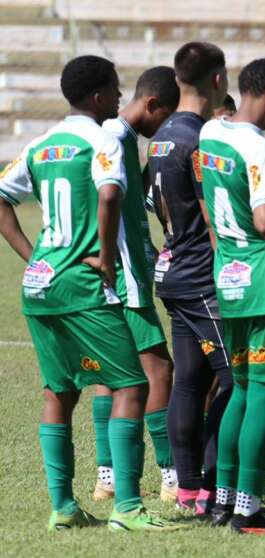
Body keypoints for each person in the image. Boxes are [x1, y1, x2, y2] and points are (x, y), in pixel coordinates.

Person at [0, 55, 176, 531]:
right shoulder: (103, 139)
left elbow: (1, 195)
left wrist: (34, 256)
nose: (120, 99)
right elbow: (110, 193)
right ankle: (128, 507)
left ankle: (62, 507)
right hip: (82, 283)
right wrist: (104, 256)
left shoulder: (41, 144)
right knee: (132, 384)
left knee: (58, 391)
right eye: (116, 91)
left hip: (40, 284)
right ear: (99, 97)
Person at [200, 58, 265, 534]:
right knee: (263, 393)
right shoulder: (258, 147)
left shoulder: (211, 133)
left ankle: (222, 501)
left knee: (239, 389)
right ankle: (248, 510)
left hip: (230, 275)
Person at [149, 42, 234, 515]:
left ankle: (188, 490)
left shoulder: (161, 135)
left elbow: (153, 204)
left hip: (172, 269)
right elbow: (212, 215)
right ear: (218, 80)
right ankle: (216, 490)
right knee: (236, 378)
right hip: (202, 276)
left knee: (189, 380)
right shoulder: (201, 140)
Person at [91, 67, 181, 507]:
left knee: (110, 376)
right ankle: (171, 474)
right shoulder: (114, 136)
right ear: (151, 105)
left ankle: (106, 477)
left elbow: (128, 198)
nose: (165, 128)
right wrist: (115, 257)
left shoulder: (119, 140)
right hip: (124, 275)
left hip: (118, 272)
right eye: (165, 116)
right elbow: (107, 200)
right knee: (159, 371)